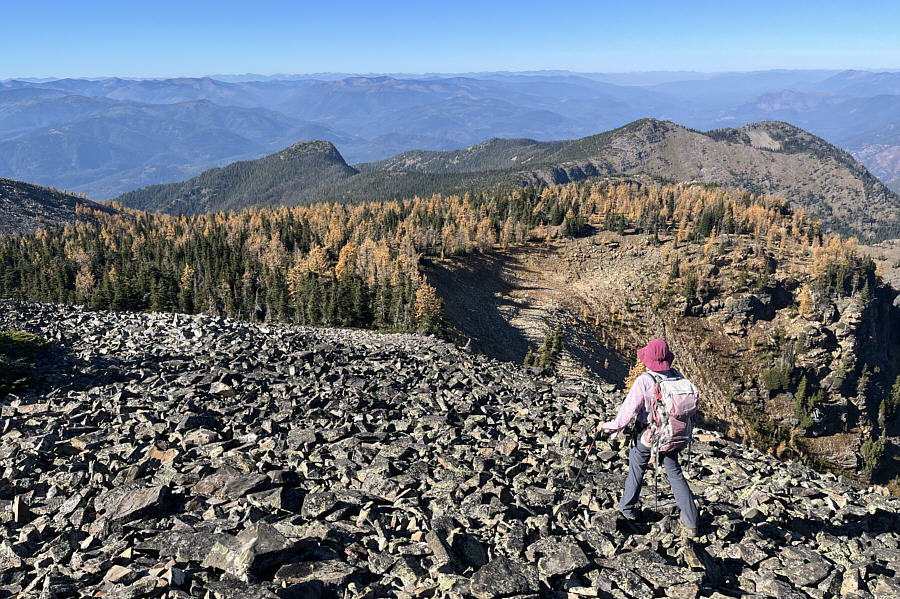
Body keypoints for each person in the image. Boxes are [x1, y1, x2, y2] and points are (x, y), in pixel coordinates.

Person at [597, 338, 700, 538]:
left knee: (637, 461)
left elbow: (625, 416)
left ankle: (627, 508)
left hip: (651, 434)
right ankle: (692, 522)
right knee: (675, 472)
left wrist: (607, 427)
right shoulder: (676, 376)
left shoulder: (645, 380)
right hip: (675, 434)